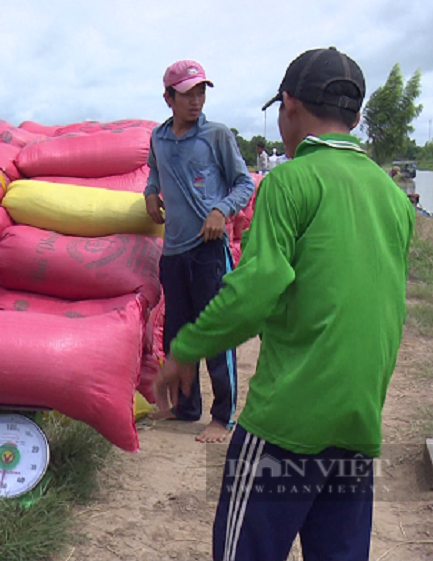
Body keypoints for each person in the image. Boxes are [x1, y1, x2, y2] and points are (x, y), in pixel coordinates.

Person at [155, 47, 414, 560]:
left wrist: (186, 350)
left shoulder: (289, 182)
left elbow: (256, 287)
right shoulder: (392, 196)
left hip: (288, 422)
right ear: (357, 117)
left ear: (289, 107)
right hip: (359, 423)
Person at [144, 59, 255, 443]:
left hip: (208, 251)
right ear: (168, 98)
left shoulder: (217, 136)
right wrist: (149, 193)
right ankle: (186, 408)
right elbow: (154, 173)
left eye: (201, 91)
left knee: (216, 333)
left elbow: (244, 184)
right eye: (188, 93)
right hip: (173, 251)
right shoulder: (158, 138)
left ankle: (223, 416)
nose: (196, 100)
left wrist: (220, 210)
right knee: (178, 335)